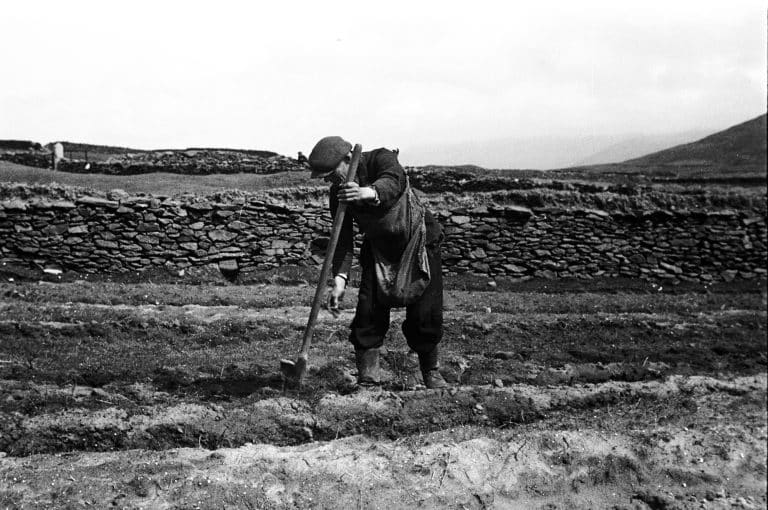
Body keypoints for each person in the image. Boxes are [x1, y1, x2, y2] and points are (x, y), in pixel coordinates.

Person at [307, 136, 448, 389]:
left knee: (424, 315)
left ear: (348, 160)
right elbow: (342, 240)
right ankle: (369, 380)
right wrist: (339, 281)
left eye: (330, 174)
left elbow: (394, 181)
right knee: (368, 313)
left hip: (419, 242)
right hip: (379, 249)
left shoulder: (380, 158)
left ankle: (431, 373)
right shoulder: (338, 195)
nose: (329, 181)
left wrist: (367, 192)